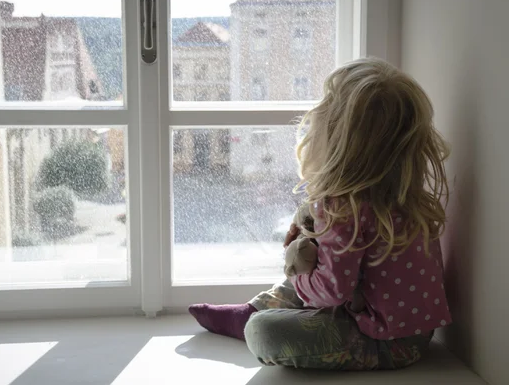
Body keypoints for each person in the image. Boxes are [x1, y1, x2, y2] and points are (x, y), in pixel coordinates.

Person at [189, 57, 452, 370]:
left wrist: (299, 269)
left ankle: (253, 318)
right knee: (309, 275)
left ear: (337, 144)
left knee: (264, 331)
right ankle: (252, 309)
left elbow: (329, 292)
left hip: (383, 342)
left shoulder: (342, 208)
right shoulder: (406, 197)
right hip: (416, 333)